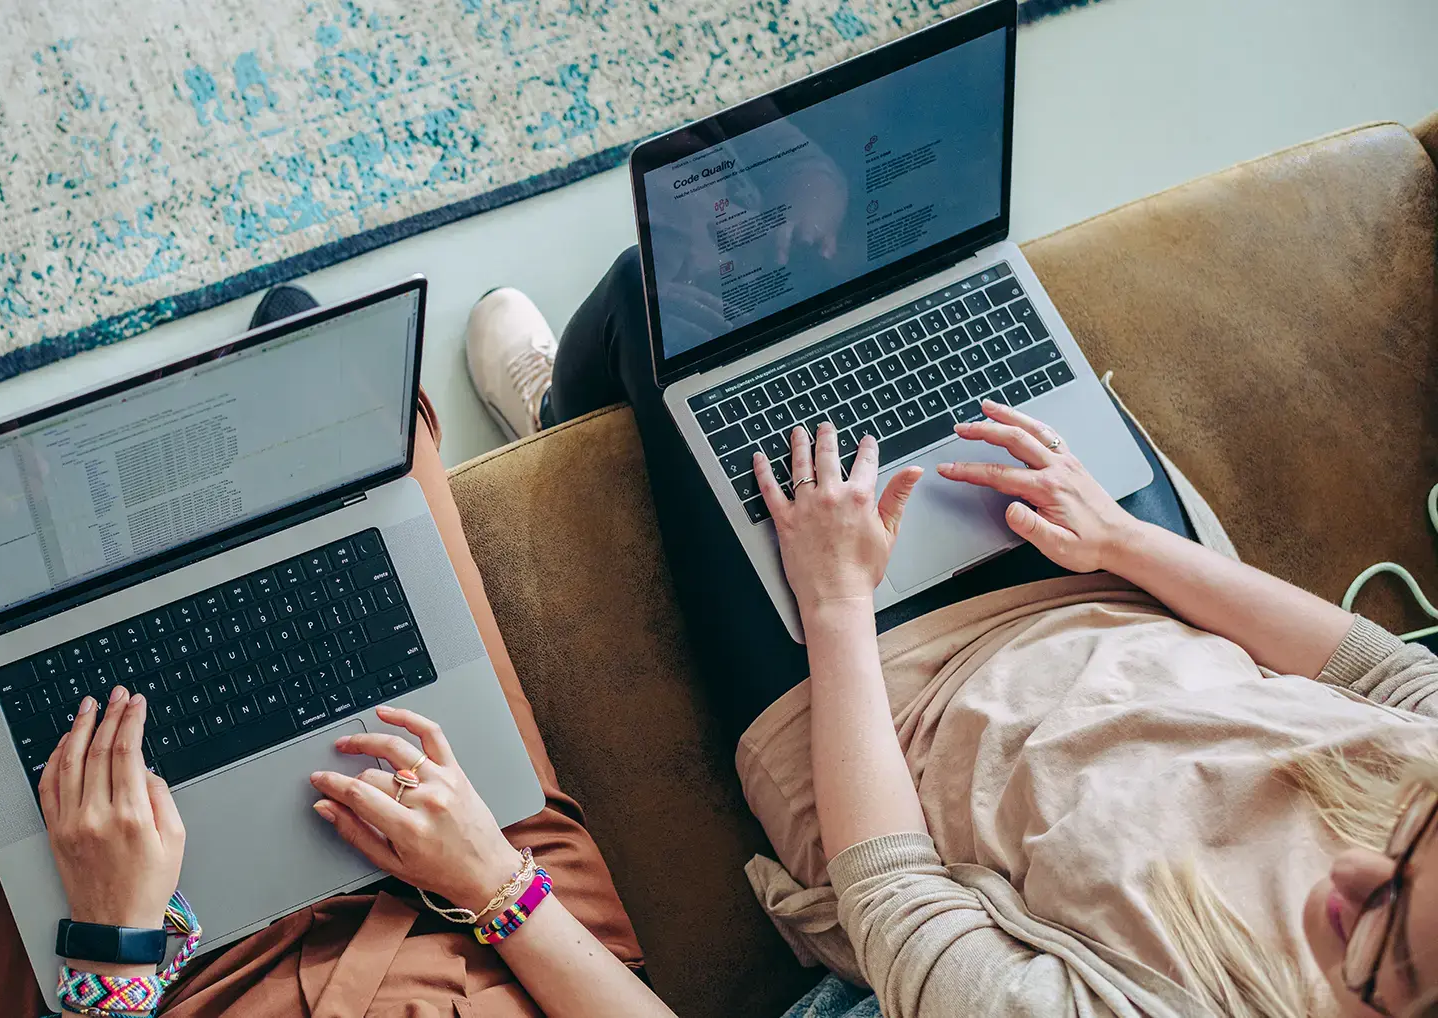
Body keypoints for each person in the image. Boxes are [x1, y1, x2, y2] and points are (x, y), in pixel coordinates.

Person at [466, 252, 1438, 1017]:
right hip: (1128, 590)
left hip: (891, 715)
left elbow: (892, 894)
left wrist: (836, 601)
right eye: (1404, 847)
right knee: (948, 283)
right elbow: (1376, 673)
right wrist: (1122, 537)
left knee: (656, 298)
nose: (1354, 870)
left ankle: (558, 413)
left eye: (1380, 948)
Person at [0, 284, 675, 1017]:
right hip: (490, 943)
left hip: (182, 984)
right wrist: (495, 879)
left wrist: (111, 945)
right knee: (374, 441)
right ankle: (293, 383)